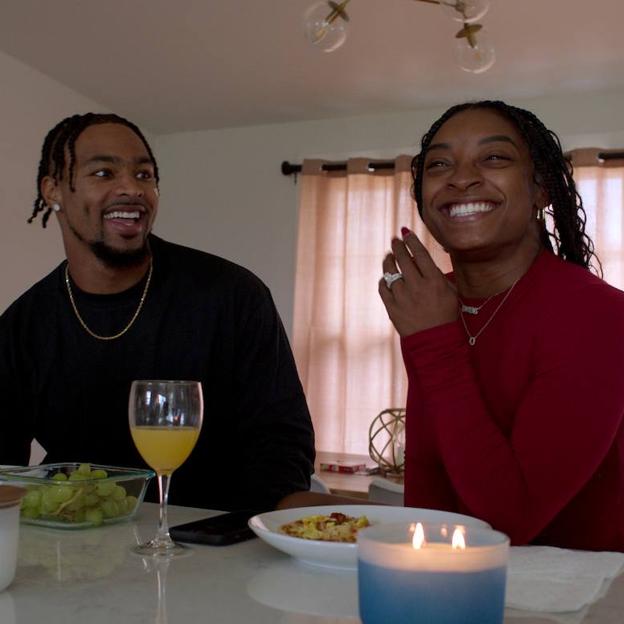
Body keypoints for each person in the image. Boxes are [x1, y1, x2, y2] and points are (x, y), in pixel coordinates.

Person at [0, 113, 315, 511]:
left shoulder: (233, 295)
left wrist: (235, 537)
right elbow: (3, 468)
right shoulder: (22, 327)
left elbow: (283, 443)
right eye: (103, 173)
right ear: (53, 190)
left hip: (217, 544)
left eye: (145, 175)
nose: (131, 188)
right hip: (80, 550)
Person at [379, 100, 624, 551]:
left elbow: (509, 522)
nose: (461, 177)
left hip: (572, 605)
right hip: (448, 585)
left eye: (494, 157)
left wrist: (433, 343)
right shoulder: (434, 298)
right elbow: (431, 474)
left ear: (541, 188)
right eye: (439, 164)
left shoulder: (599, 315)